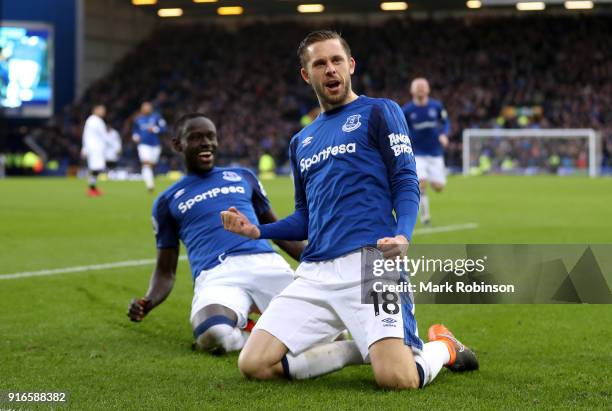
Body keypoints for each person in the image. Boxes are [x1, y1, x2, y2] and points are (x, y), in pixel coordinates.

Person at [221, 30, 478, 389]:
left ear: (351, 65)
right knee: (254, 363)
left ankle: (444, 348)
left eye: (337, 60)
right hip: (315, 273)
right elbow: (305, 218)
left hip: (373, 263)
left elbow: (405, 181)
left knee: (397, 378)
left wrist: (403, 233)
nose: (330, 69)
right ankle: (360, 348)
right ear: (306, 75)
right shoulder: (301, 141)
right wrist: (258, 231)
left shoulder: (380, 111)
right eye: (320, 63)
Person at [128, 113, 304, 355]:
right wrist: (148, 301)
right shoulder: (167, 201)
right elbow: (165, 270)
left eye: (211, 136)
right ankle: (259, 332)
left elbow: (278, 232)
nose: (206, 142)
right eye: (196, 137)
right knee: (213, 334)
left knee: (330, 328)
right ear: (178, 144)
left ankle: (270, 331)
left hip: (267, 264)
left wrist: (316, 257)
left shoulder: (244, 176)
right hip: (216, 276)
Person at [401, 78, 450, 225]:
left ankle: (431, 180)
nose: (421, 89)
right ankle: (425, 217)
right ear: (412, 90)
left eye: (423, 86)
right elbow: (401, 127)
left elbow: (446, 122)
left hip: (435, 153)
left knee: (438, 187)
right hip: (417, 153)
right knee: (421, 183)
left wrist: (444, 134)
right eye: (418, 87)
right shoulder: (407, 110)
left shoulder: (436, 106)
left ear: (428, 89)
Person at [132, 101, 166, 192]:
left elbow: (164, 128)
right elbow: (135, 131)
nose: (146, 109)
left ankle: (147, 177)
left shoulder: (156, 117)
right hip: (143, 144)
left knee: (152, 164)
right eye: (145, 107)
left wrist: (155, 129)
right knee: (146, 163)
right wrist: (135, 136)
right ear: (141, 109)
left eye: (148, 107)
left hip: (155, 144)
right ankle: (150, 185)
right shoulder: (138, 119)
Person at [81, 104, 107, 197]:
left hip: (96, 148)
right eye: (101, 110)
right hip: (94, 148)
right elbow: (103, 135)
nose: (103, 112)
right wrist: (84, 148)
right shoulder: (94, 120)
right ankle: (91, 188)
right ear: (95, 110)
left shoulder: (95, 120)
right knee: (95, 168)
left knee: (97, 168)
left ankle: (93, 187)